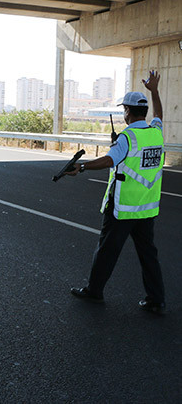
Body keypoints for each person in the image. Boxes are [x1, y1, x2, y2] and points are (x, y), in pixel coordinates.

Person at [67, 70, 166, 315]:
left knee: (107, 251)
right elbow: (160, 115)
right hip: (146, 208)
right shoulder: (156, 132)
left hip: (122, 208)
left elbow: (109, 160)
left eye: (124, 110)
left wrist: (81, 167)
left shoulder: (127, 137)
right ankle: (156, 299)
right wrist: (154, 92)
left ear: (128, 112)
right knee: (148, 254)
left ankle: (94, 291)